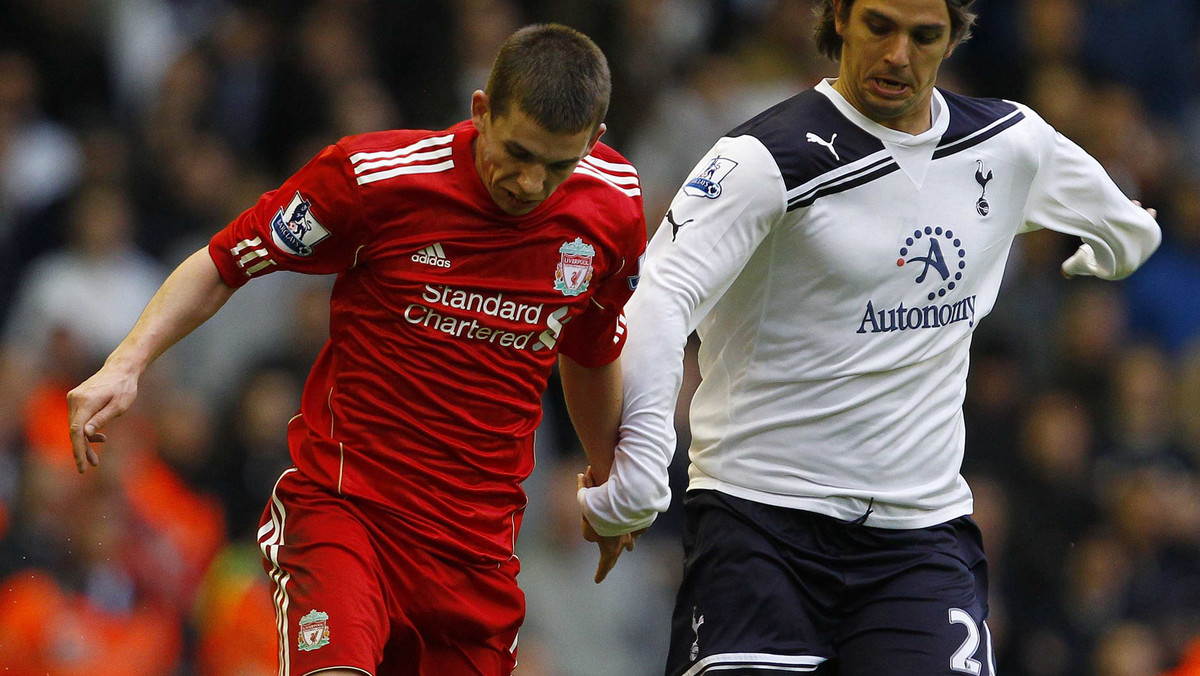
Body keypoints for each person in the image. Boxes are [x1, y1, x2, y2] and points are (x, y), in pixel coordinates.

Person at [576, 0, 1162, 674]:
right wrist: (640, 471)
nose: (898, 55)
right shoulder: (764, 159)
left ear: (953, 37)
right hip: (763, 523)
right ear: (840, 19)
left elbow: (1124, 219)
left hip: (920, 537)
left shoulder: (1009, 142)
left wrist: (1119, 245)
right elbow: (659, 295)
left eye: (924, 35)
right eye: (879, 26)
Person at [67, 23, 645, 676]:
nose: (532, 183)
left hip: (474, 553)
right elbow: (224, 262)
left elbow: (593, 351)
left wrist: (607, 473)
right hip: (349, 514)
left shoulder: (614, 210)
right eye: (516, 153)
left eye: (558, 165)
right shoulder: (374, 180)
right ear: (481, 111)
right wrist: (127, 361)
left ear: (593, 144)